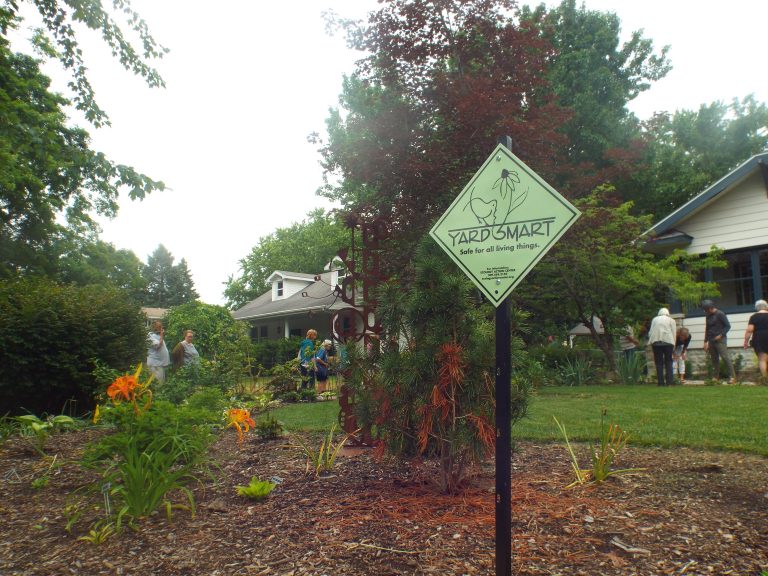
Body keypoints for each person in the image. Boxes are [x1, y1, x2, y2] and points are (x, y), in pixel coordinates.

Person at [701, 299, 736, 383]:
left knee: (725, 357)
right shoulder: (707, 315)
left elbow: (728, 326)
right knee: (714, 359)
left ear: (710, 308)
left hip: (720, 340)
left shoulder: (720, 314)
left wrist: (721, 335)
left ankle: (732, 377)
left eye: (706, 310)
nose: (706, 311)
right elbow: (707, 328)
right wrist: (705, 341)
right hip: (711, 339)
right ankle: (716, 377)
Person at [647, 307, 677, 386]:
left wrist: (651, 342)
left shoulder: (654, 319)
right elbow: (674, 333)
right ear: (667, 313)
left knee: (659, 362)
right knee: (669, 361)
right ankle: (669, 382)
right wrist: (674, 344)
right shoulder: (671, 320)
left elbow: (650, 332)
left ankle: (660, 382)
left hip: (656, 343)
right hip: (668, 342)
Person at [743, 299, 768, 379]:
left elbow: (749, 330)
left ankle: (765, 379)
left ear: (756, 308)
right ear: (766, 307)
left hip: (759, 338)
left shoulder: (754, 317)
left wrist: (746, 341)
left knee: (762, 360)